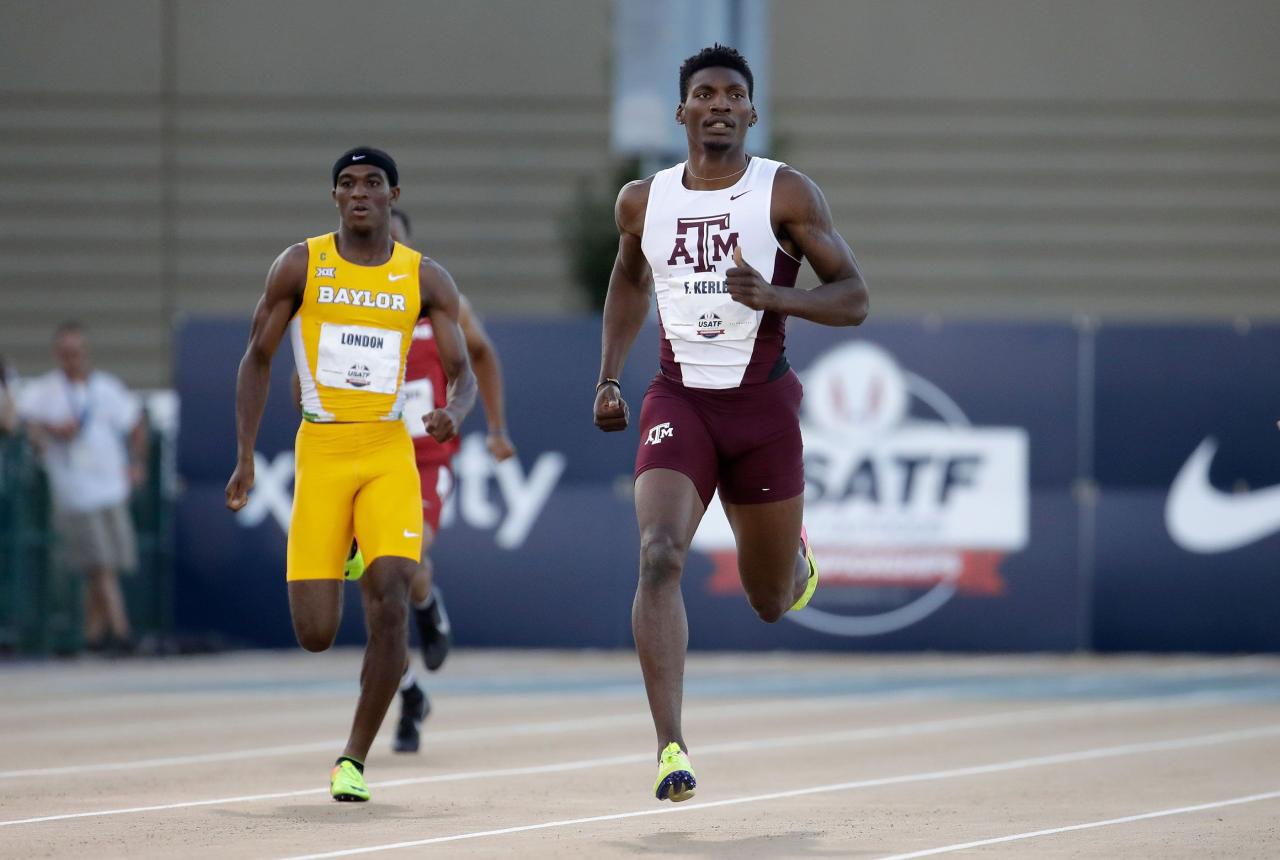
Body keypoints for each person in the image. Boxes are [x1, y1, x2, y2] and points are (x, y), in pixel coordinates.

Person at [593, 44, 869, 802]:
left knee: (770, 601)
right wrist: (610, 375)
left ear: (751, 111)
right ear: (683, 112)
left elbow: (853, 297)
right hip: (678, 402)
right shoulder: (641, 202)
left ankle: (793, 562)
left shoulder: (784, 193)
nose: (718, 104)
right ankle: (670, 747)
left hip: (762, 409)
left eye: (733, 95)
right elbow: (627, 277)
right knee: (658, 555)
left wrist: (778, 298)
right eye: (704, 94)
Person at [225, 147, 476, 803]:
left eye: (371, 183)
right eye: (346, 184)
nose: (359, 193)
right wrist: (247, 455)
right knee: (315, 634)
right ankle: (349, 553)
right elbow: (257, 358)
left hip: (388, 450)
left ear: (394, 195)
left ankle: (353, 759)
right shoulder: (302, 264)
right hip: (324, 452)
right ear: (334, 198)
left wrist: (455, 410)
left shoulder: (424, 278)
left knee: (393, 594)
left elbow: (464, 369)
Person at [349, 207, 517, 754]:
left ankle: (426, 605)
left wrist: (494, 428)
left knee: (405, 568)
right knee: (378, 591)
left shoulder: (438, 297)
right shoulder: (346, 302)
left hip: (422, 458)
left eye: (390, 242)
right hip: (364, 452)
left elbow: (483, 354)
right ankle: (409, 692)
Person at [17, 323, 148, 653]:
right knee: (100, 564)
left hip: (111, 488)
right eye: (65, 354)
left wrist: (136, 463)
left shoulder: (105, 388)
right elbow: (23, 422)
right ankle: (121, 632)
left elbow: (135, 423)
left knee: (109, 565)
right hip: (76, 492)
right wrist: (49, 430)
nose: (72, 359)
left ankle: (92, 637)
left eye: (76, 353)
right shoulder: (46, 391)